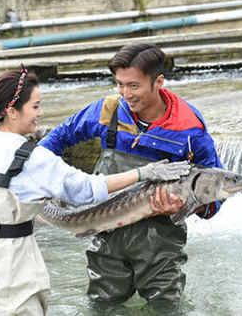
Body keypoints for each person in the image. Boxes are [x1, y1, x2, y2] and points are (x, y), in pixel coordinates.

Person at [0, 64, 191, 316]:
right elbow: (87, 190)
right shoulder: (32, 158)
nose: (40, 113)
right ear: (11, 111)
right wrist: (143, 173)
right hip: (11, 263)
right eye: (35, 106)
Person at [39, 43, 223, 307]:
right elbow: (57, 138)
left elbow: (213, 191)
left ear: (158, 81)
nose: (125, 93)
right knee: (102, 306)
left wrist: (184, 207)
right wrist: (36, 173)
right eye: (119, 84)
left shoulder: (189, 128)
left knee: (166, 307)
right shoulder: (110, 110)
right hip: (106, 233)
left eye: (133, 85)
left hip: (159, 242)